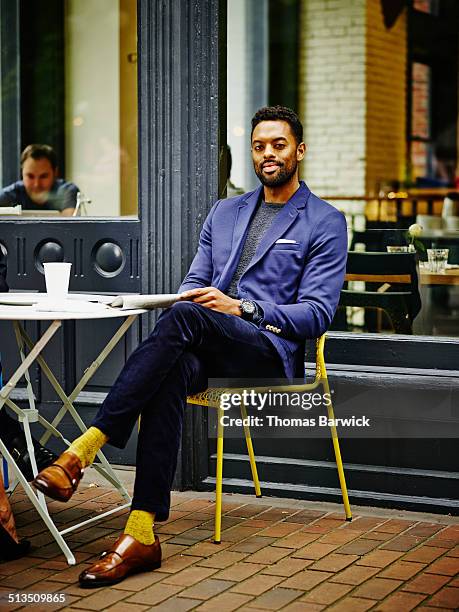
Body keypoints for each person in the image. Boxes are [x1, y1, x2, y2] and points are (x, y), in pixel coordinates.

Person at [32, 106, 348, 588]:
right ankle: (140, 533)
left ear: (299, 151)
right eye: (260, 145)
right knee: (171, 366)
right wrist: (197, 301)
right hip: (210, 337)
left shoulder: (324, 221)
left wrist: (244, 309)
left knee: (182, 323)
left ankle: (84, 448)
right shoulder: (226, 212)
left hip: (269, 348)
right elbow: (194, 284)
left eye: (279, 145)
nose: (268, 154)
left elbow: (318, 313)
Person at [0, 144, 78, 216]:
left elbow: (68, 226)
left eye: (43, 176)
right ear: (22, 173)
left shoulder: (66, 191)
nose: (36, 184)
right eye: (30, 176)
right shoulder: (12, 194)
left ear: (55, 173)